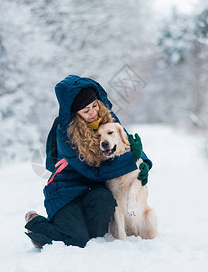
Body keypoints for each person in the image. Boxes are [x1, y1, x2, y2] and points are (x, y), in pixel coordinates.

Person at [24, 74, 152, 248]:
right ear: (75, 113)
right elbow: (94, 172)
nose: (93, 113)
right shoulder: (65, 133)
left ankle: (80, 225)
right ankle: (36, 223)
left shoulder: (108, 117)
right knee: (77, 241)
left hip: (95, 190)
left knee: (96, 235)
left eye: (95, 105)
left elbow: (127, 144)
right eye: (86, 110)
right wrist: (131, 160)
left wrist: (144, 162)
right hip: (66, 191)